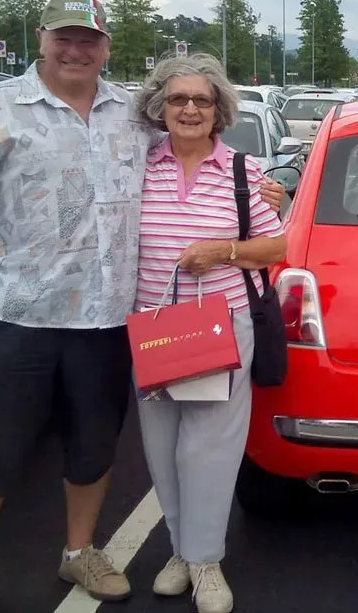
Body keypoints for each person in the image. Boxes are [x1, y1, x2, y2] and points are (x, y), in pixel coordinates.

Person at [0, 0, 285, 613]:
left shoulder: (134, 123)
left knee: (94, 447)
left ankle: (90, 553)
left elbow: (271, 226)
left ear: (105, 46)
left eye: (89, 39)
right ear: (42, 38)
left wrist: (244, 232)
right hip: (20, 313)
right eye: (65, 37)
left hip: (114, 320)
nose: (76, 49)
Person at [133, 54, 286, 613]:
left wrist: (221, 251)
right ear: (159, 108)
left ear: (219, 110)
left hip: (221, 327)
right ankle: (178, 550)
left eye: (202, 100)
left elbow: (276, 248)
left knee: (211, 448)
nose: (190, 109)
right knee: (163, 446)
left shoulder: (246, 175)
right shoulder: (140, 168)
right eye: (178, 99)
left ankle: (205, 561)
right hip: (152, 326)